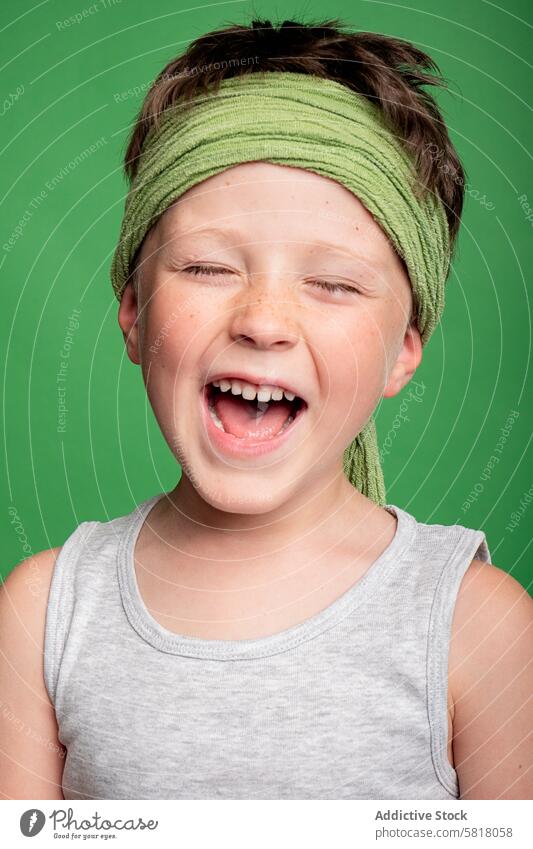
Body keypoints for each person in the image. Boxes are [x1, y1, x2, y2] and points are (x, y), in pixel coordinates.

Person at [1, 18, 531, 801]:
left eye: (335, 283)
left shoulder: (476, 625)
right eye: (208, 266)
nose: (263, 320)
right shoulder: (43, 614)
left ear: (403, 351)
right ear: (133, 313)